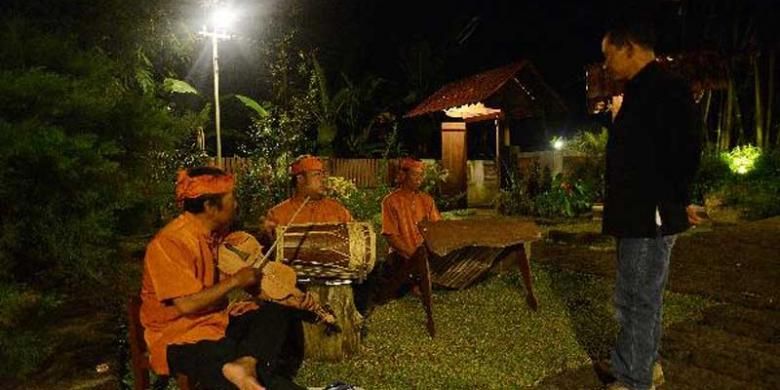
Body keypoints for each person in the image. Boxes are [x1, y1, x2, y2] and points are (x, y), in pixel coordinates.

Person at [600, 21, 703, 390]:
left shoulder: (665, 88)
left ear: (628, 47)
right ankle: (641, 362)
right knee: (637, 296)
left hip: (649, 214)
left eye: (608, 55)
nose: (606, 64)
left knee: (636, 299)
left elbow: (687, 149)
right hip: (637, 213)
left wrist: (677, 198)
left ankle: (634, 378)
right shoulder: (642, 89)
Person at [140, 166, 304, 390]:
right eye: (231, 199)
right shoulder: (169, 243)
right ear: (209, 206)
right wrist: (236, 281)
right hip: (177, 338)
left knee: (273, 313)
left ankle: (244, 365)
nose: (236, 205)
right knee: (230, 362)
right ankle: (248, 373)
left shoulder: (213, 237)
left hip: (214, 324)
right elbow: (186, 304)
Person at [263, 155, 352, 237]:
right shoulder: (278, 214)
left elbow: (356, 238)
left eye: (323, 175)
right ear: (300, 179)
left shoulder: (339, 211)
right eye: (316, 175)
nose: (322, 179)